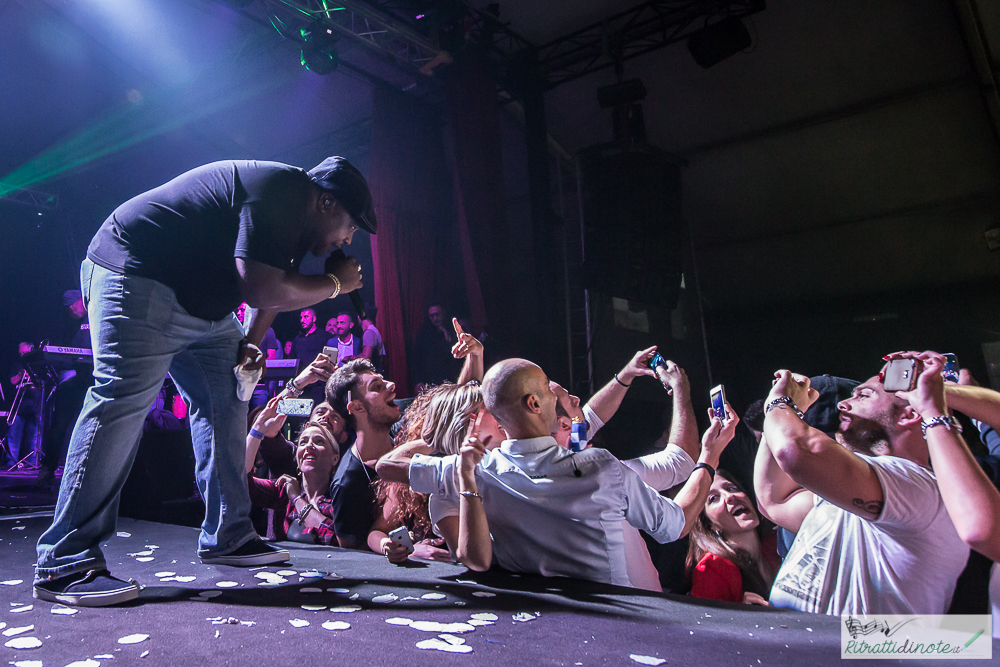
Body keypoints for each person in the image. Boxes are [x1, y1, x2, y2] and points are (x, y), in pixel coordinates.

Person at [34, 155, 373, 606]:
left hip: (203, 307)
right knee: (121, 398)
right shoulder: (282, 191)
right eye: (351, 227)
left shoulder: (298, 219)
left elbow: (274, 284)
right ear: (327, 202)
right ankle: (65, 560)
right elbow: (259, 288)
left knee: (228, 394)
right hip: (138, 272)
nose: (348, 239)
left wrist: (251, 344)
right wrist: (334, 284)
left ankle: (229, 534)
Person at [377, 358, 735, 589]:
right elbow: (676, 497)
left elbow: (386, 466)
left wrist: (620, 379)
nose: (555, 394)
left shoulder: (474, 470)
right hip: (629, 610)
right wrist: (710, 455)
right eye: (547, 388)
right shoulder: (601, 469)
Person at [754, 366, 969, 615]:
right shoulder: (864, 486)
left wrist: (781, 404)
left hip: (857, 652)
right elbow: (775, 500)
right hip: (801, 646)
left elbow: (795, 450)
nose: (843, 404)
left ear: (908, 414)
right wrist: (788, 410)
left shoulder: (918, 484)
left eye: (863, 396)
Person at [885, 351, 1000, 636]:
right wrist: (937, 393)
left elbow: (982, 532)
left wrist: (935, 414)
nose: (845, 405)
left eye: (862, 395)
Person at [325, 359, 401, 550]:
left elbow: (448, 412)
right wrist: (410, 550)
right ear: (357, 407)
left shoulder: (404, 434)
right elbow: (353, 558)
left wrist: (474, 357)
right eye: (377, 387)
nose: (391, 386)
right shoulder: (348, 483)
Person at [245, 398, 341, 543]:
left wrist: (297, 499)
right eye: (303, 442)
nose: (309, 446)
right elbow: (239, 481)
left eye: (319, 441)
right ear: (297, 456)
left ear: (335, 458)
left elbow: (334, 539)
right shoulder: (283, 492)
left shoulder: (339, 499)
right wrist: (258, 428)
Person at [686, 470, 779, 605]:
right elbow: (704, 624)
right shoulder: (713, 569)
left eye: (731, 488)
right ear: (709, 525)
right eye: (714, 498)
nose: (729, 496)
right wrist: (740, 616)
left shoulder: (777, 545)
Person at [5, 343, 42, 470]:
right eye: (20, 353)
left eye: (24, 353)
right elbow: (12, 381)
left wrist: (31, 375)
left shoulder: (38, 364)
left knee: (34, 436)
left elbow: (41, 385)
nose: (22, 355)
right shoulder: (17, 365)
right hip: (18, 406)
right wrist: (21, 374)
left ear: (31, 351)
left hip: (34, 405)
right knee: (14, 435)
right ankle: (11, 462)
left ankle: (32, 462)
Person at [410, 303, 462, 393]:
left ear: (443, 313)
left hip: (454, 378)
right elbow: (416, 359)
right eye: (432, 316)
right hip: (432, 380)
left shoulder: (454, 329)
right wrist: (418, 381)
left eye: (437, 315)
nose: (435, 319)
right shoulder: (424, 333)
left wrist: (448, 337)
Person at [289, 309, 330, 405]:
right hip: (302, 385)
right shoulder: (297, 340)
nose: (302, 320)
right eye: (301, 317)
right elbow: (292, 361)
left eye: (306, 317)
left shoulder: (325, 336)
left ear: (314, 318)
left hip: (318, 385)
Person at [360, 304, 386, 373]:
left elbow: (366, 357)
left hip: (373, 373)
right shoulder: (373, 330)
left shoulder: (369, 332)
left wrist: (350, 358)